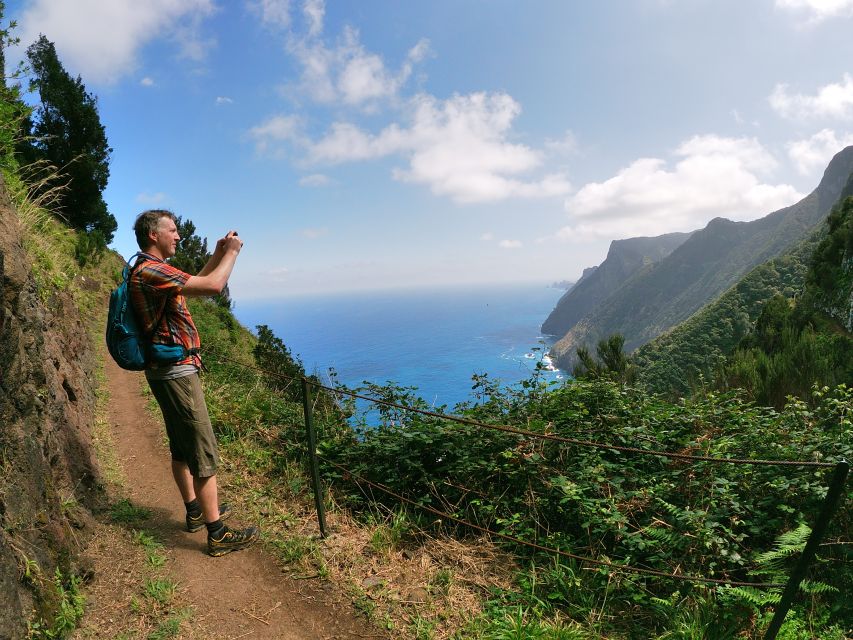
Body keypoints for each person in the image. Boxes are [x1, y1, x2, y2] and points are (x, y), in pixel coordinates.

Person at [128, 209, 259, 557]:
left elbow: (191, 286)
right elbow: (214, 286)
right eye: (172, 230)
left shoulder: (147, 269)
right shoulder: (152, 270)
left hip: (164, 370)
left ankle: (195, 510)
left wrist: (217, 253)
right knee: (201, 448)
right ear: (153, 235)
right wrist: (232, 253)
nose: (178, 235)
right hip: (176, 372)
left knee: (182, 446)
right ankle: (217, 534)